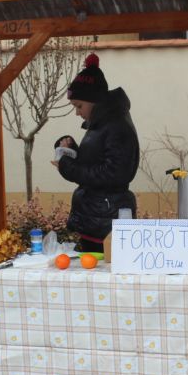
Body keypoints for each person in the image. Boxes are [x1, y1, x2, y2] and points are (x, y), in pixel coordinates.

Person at [52, 53, 139, 253]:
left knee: (103, 270)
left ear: (95, 101)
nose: (77, 112)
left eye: (79, 106)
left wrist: (68, 166)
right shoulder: (103, 124)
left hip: (105, 223)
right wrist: (72, 150)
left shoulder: (115, 126)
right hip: (98, 218)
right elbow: (97, 162)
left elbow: (112, 174)